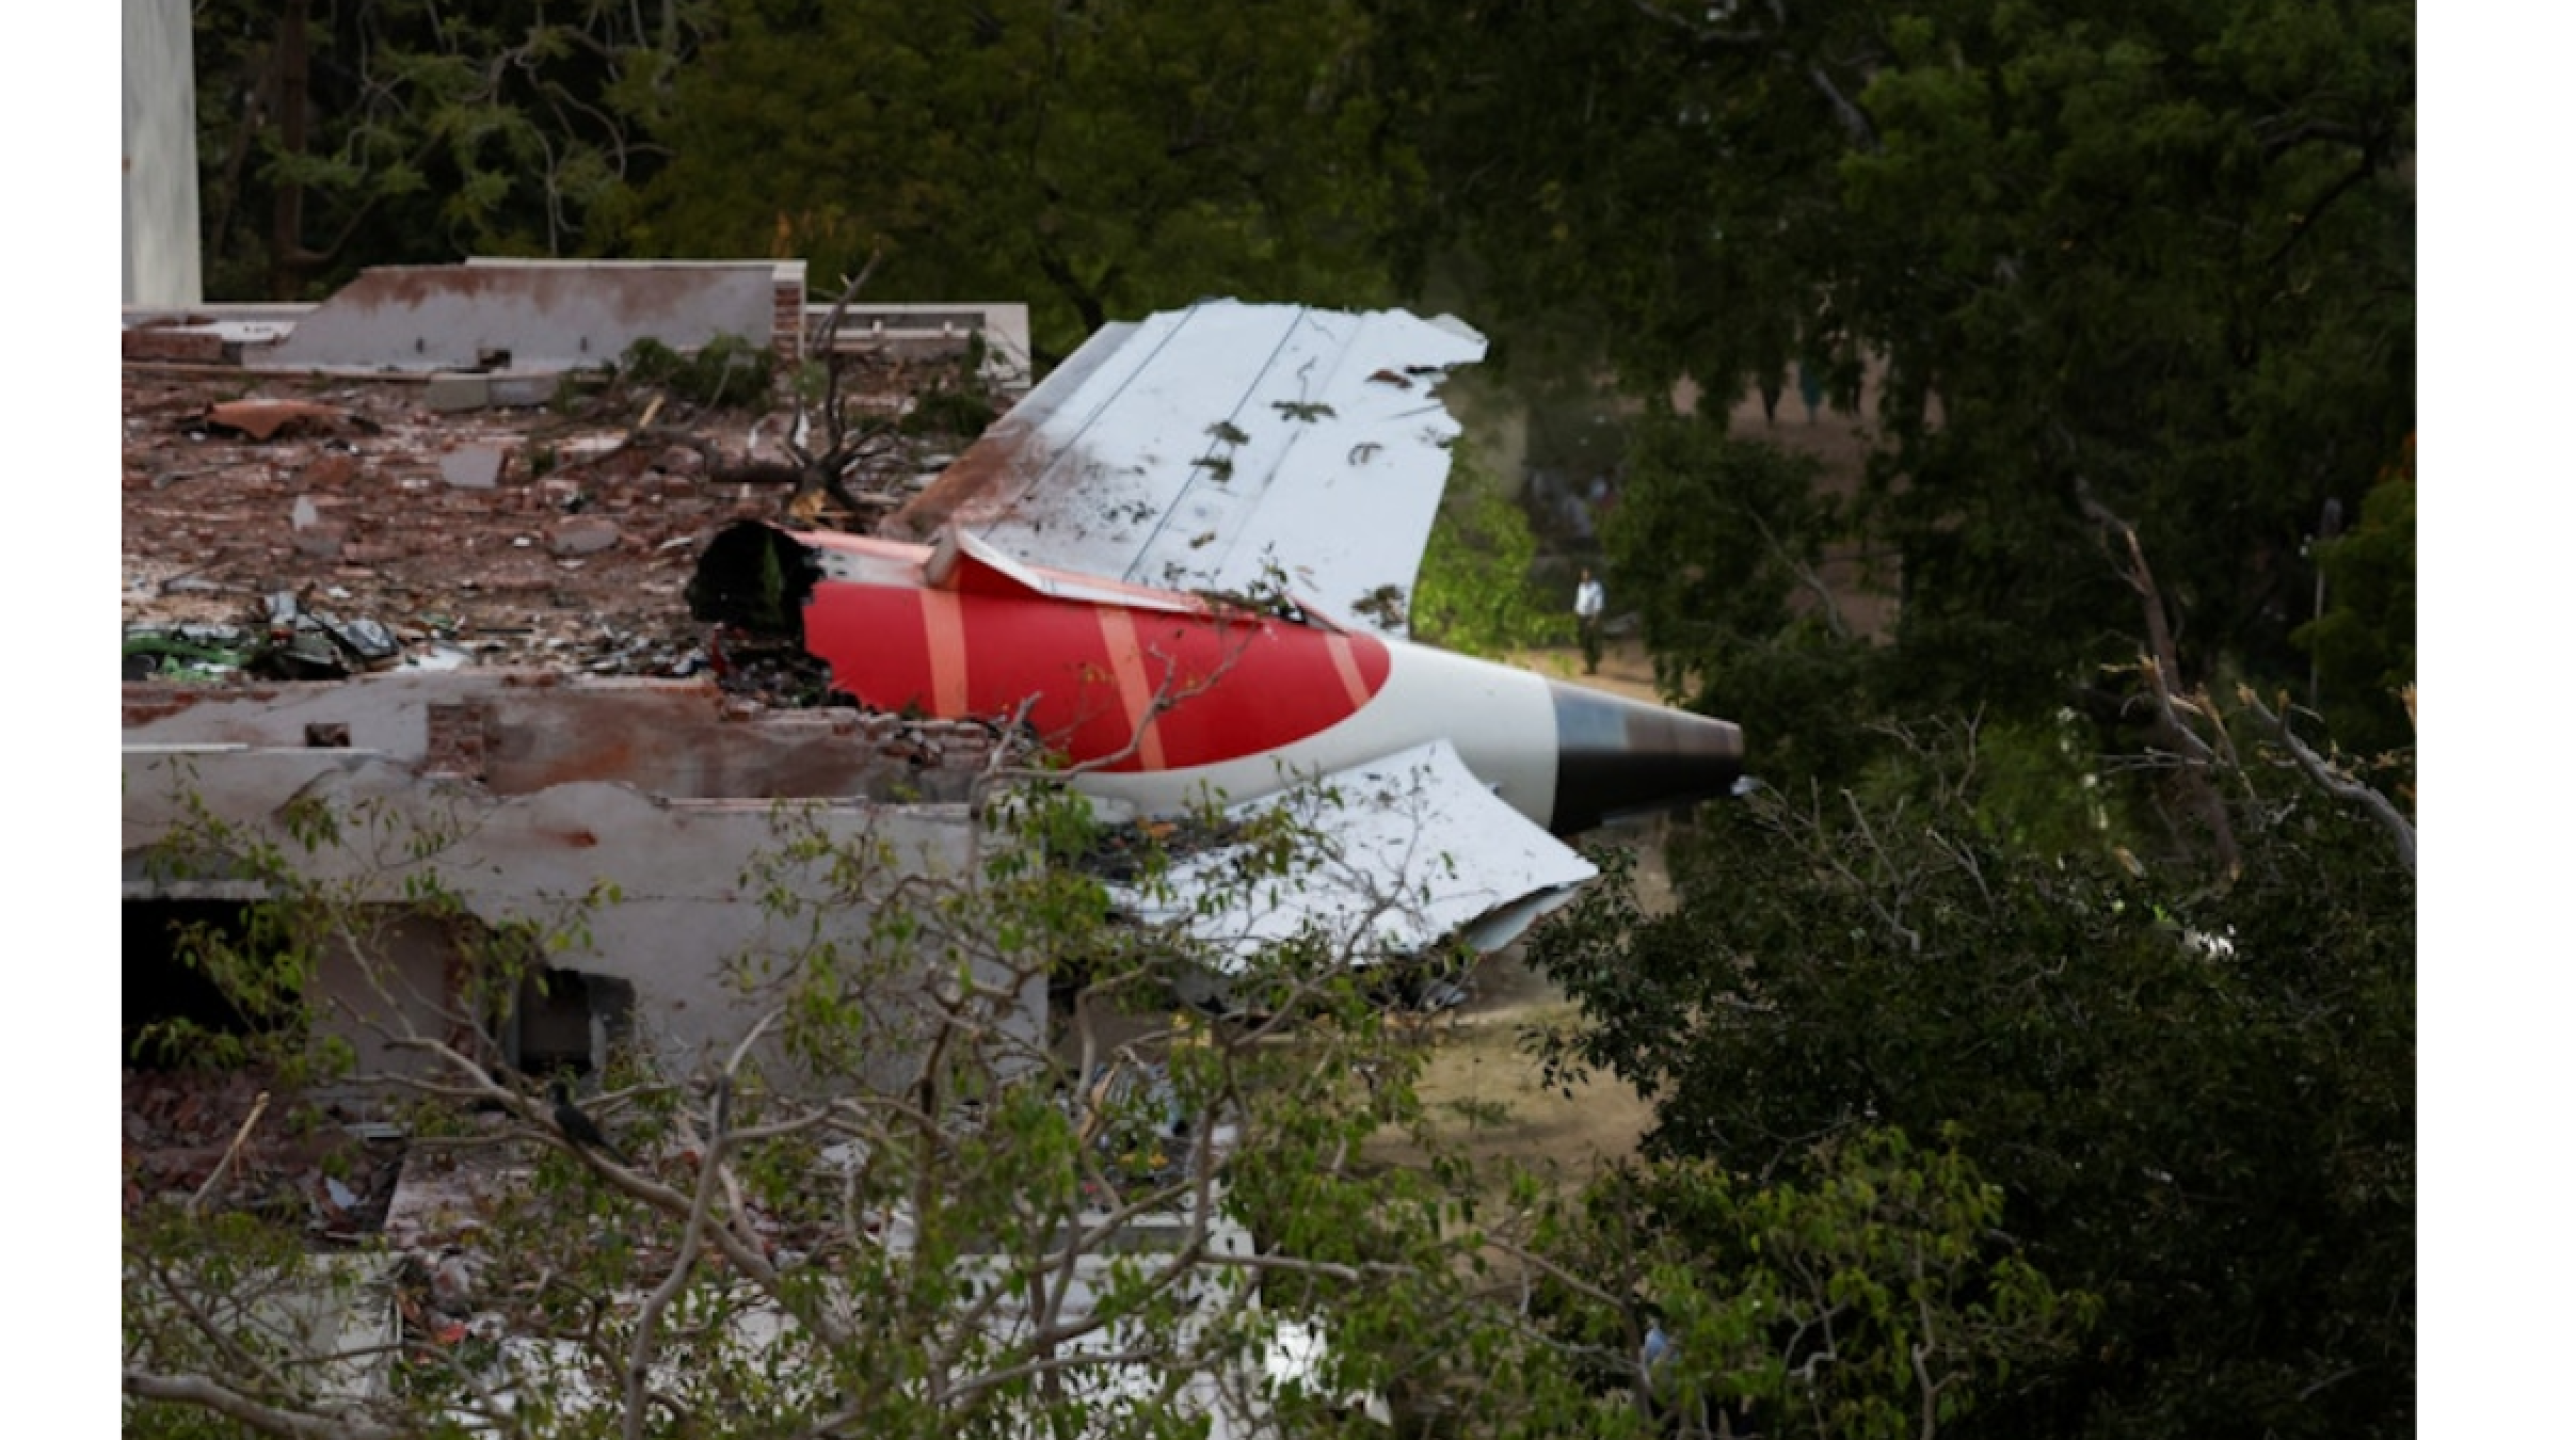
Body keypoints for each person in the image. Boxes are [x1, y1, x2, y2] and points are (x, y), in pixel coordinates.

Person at [1574, 569, 1606, 675]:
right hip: (1582, 617)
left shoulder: (1596, 587)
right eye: (1583, 575)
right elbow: (1579, 601)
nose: (1585, 577)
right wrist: (1576, 613)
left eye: (1587, 575)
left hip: (1591, 617)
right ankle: (1592, 662)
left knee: (1591, 642)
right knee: (1584, 641)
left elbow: (1598, 605)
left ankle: (1591, 665)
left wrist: (1594, 620)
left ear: (1591, 576)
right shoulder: (1581, 587)